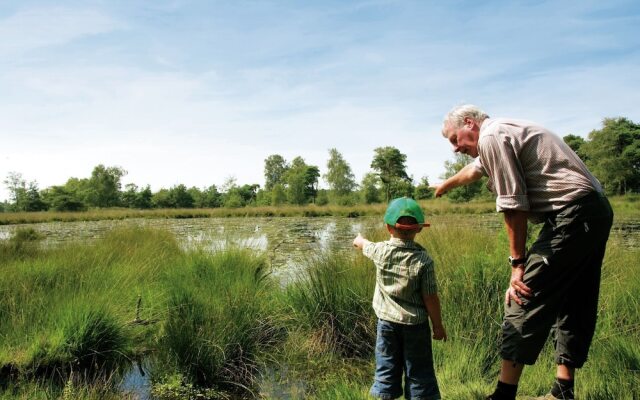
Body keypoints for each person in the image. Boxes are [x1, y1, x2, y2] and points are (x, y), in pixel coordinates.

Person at [436, 104, 614, 400]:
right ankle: (563, 389)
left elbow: (514, 204)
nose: (454, 148)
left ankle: (504, 394)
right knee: (576, 298)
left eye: (455, 139)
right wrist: (446, 184)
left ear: (469, 123)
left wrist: (517, 263)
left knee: (522, 293)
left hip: (571, 214)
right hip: (594, 211)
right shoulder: (505, 131)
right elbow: (474, 170)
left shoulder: (492, 136)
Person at [353, 197, 446, 400]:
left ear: (388, 228)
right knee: (419, 374)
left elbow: (364, 244)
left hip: (386, 324)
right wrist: (438, 326)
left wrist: (358, 239)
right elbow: (430, 297)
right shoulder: (424, 260)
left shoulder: (381, 251)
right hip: (416, 326)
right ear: (419, 229)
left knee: (386, 371)